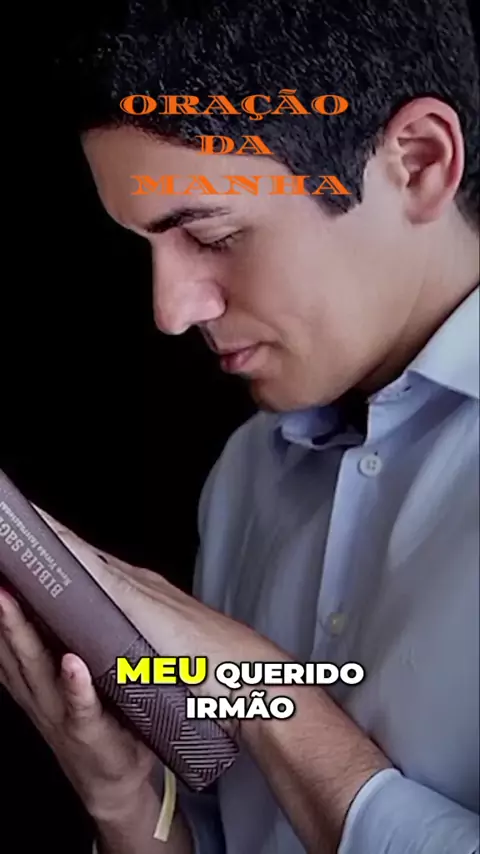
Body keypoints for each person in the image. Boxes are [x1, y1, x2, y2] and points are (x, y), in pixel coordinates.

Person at [0, 1, 479, 852]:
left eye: (214, 234)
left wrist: (265, 696)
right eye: (146, 246)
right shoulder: (249, 474)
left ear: (417, 162)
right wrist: (125, 799)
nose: (171, 311)